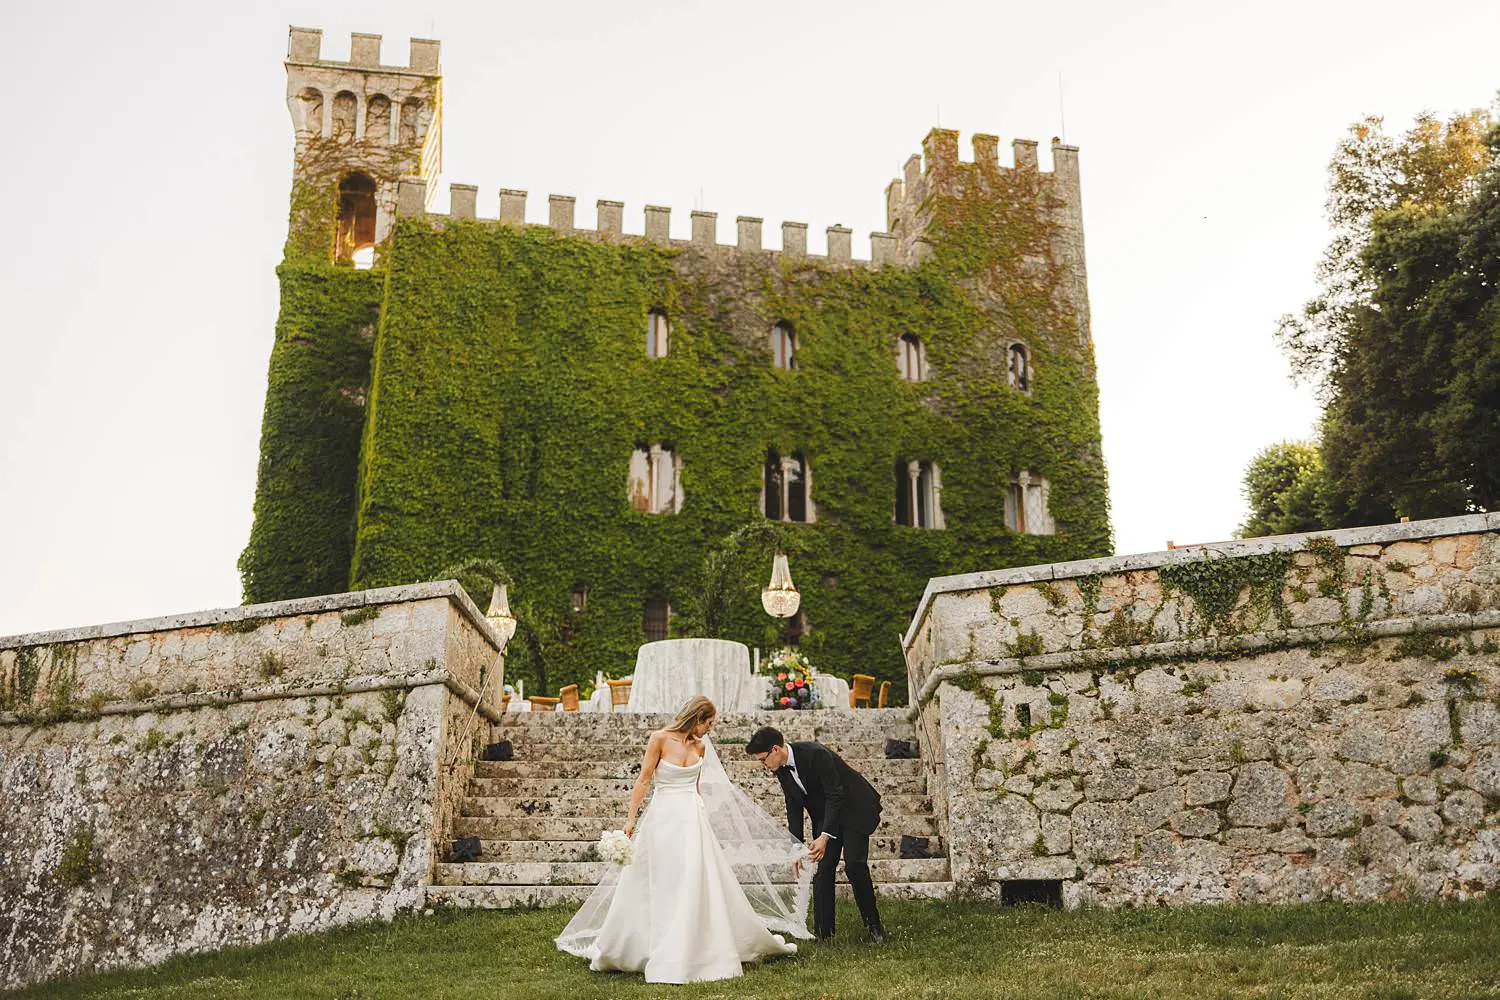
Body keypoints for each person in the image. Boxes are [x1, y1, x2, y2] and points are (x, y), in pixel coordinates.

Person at [556, 696, 812, 984]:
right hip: (663, 819)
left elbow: (697, 787)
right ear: (697, 718)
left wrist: (704, 819)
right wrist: (630, 820)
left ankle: (693, 945)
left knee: (693, 879)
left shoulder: (701, 746)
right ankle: (643, 944)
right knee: (660, 879)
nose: (710, 729)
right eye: (709, 723)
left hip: (692, 820)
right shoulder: (659, 739)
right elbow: (644, 780)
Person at [746, 726, 887, 942]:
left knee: (854, 865)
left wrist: (824, 835)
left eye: (763, 759)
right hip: (827, 814)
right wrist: (796, 847)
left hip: (853, 808)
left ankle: (874, 926)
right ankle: (823, 933)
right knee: (823, 870)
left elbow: (835, 794)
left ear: (775, 749)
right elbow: (793, 805)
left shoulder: (816, 754)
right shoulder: (781, 769)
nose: (763, 765)